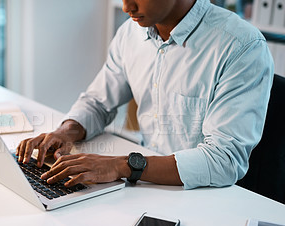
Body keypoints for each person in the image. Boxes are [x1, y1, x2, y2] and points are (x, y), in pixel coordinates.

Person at [16, 0, 274, 189]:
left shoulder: (241, 46)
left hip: (204, 195)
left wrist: (121, 165)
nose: (127, 6)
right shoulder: (131, 32)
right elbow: (97, 102)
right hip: (144, 184)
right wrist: (66, 132)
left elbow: (224, 160)